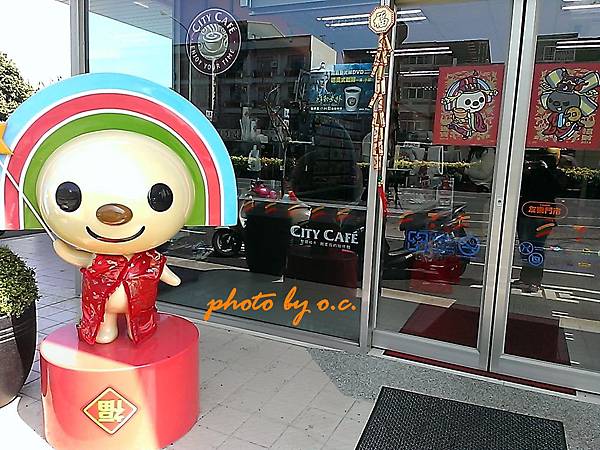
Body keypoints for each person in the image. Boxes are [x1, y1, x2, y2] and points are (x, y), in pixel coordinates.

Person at [513, 147, 563, 293]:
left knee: (537, 247)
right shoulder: (531, 171)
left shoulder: (555, 173)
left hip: (543, 214)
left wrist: (546, 170)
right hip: (527, 212)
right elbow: (521, 186)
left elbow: (558, 188)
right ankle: (525, 278)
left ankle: (534, 280)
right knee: (526, 246)